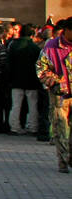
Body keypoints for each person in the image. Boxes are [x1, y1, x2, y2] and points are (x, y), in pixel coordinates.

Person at [37, 19, 72, 173]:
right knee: (61, 129)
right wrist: (56, 81)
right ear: (67, 30)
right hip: (59, 95)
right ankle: (63, 161)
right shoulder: (52, 46)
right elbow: (40, 68)